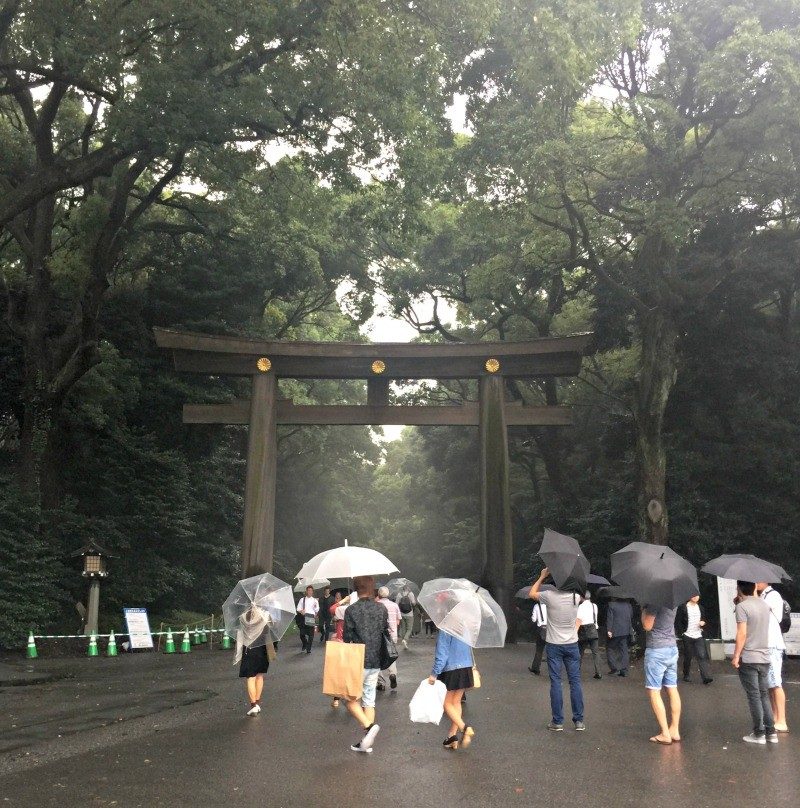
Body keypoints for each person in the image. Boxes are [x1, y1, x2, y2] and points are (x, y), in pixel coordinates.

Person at [530, 568, 585, 732]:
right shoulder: (576, 598)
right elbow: (583, 596)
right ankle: (579, 721)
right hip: (572, 644)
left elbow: (532, 593)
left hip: (554, 645)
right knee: (575, 682)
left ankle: (558, 721)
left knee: (556, 682)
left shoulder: (549, 596)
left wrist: (541, 576)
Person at [343, 575, 388, 753]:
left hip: (358, 661)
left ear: (356, 589)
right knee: (369, 701)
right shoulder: (381, 608)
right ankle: (366, 743)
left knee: (351, 700)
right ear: (372, 589)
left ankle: (369, 727)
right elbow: (385, 631)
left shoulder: (351, 610)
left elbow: (347, 638)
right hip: (376, 660)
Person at [732, 581, 777, 744]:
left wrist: (736, 655)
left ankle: (758, 733)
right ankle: (771, 732)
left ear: (739, 589)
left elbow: (742, 633)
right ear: (754, 587)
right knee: (764, 694)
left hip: (749, 657)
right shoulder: (765, 605)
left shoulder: (742, 607)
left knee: (754, 696)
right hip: (765, 656)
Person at [428, 629, 476, 749]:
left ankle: (464, 728)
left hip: (452, 669)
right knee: (456, 702)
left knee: (446, 703)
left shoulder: (446, 628)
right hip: (466, 666)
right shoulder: (465, 626)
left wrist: (434, 673)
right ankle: (452, 736)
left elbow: (442, 653)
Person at [641, 603, 681, 745]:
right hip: (672, 647)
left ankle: (665, 733)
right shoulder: (673, 601)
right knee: (672, 688)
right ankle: (674, 729)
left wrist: (643, 610)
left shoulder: (654, 601)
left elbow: (647, 626)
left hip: (657, 650)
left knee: (654, 691)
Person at [755, 581, 789, 733]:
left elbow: (760, 611)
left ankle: (782, 720)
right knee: (769, 684)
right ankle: (775, 717)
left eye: (757, 580)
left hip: (773, 644)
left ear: (765, 580)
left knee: (776, 683)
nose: (755, 583)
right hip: (765, 644)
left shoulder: (773, 595)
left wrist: (754, 595)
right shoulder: (762, 595)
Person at [235, 606, 274, 717]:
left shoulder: (243, 617)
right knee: (259, 676)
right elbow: (269, 631)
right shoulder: (265, 616)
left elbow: (240, 633)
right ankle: (257, 702)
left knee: (250, 677)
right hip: (262, 649)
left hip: (249, 649)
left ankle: (253, 705)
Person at [675, 595, 713, 684]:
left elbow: (704, 619)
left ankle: (706, 677)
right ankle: (686, 674)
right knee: (688, 656)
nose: (696, 597)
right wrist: (682, 633)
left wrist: (703, 623)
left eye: (697, 595)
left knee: (702, 655)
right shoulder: (683, 607)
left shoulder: (700, 607)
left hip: (698, 635)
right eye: (694, 595)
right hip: (687, 635)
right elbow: (678, 621)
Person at [377, 586, 401, 691]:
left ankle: (381, 682)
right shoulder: (394, 605)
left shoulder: (376, 606)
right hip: (392, 635)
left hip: (379, 635)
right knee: (391, 654)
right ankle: (393, 674)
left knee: (378, 657)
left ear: (378, 595)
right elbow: (398, 620)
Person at [606, 596, 633, 676]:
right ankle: (624, 670)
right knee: (624, 649)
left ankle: (614, 668)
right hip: (626, 630)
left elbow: (610, 618)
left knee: (610, 648)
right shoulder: (628, 605)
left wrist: (609, 630)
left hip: (615, 631)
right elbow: (630, 617)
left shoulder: (611, 605)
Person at [577, 592, 602, 679]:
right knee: (595, 653)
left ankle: (577, 670)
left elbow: (578, 620)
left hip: (583, 630)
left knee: (580, 652)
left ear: (583, 597)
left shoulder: (580, 607)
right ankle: (598, 672)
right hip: (593, 629)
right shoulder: (594, 606)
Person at [296, 586, 319, 654]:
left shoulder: (315, 600)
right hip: (304, 617)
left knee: (311, 634)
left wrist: (315, 612)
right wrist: (301, 611)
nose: (310, 592)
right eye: (308, 590)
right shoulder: (302, 599)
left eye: (311, 590)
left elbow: (317, 609)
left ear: (312, 592)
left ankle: (308, 649)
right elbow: (298, 608)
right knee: (302, 634)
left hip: (311, 617)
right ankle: (305, 643)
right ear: (306, 591)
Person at [528, 599, 547, 676]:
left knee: (539, 649)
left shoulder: (537, 606)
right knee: (553, 649)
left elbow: (534, 619)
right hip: (551, 629)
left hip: (541, 629)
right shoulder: (551, 605)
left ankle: (536, 668)